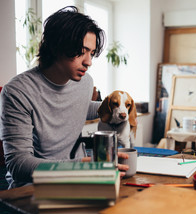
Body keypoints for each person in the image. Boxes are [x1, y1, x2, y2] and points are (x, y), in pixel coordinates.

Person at [0, 6, 128, 189]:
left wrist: (117, 107)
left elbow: (78, 106)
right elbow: (18, 165)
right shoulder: (17, 92)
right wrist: (78, 167)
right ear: (57, 46)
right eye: (82, 51)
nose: (89, 62)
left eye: (91, 53)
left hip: (79, 177)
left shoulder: (84, 82)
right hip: (36, 185)